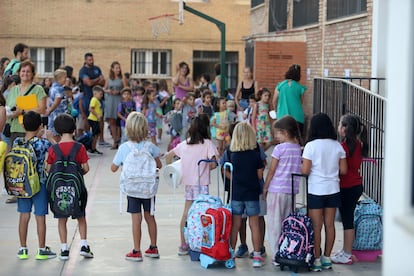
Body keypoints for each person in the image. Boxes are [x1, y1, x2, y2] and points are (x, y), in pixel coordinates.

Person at [111, 111, 162, 262]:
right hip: (148, 188)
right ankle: (153, 247)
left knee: (136, 219)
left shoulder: (124, 148)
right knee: (150, 216)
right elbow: (159, 165)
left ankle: (136, 250)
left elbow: (113, 168)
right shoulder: (150, 146)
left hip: (132, 188)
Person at [165, 114, 218, 256]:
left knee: (186, 214)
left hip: (189, 184)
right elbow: (213, 164)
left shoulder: (185, 144)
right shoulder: (207, 144)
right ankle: (201, 242)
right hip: (202, 185)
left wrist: (174, 168)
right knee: (203, 214)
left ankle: (183, 243)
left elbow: (169, 155)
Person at [301, 113, 347, 272]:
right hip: (333, 189)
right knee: (330, 225)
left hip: (316, 190)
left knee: (316, 226)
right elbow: (344, 170)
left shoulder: (310, 146)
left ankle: (317, 259)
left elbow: (305, 171)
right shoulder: (337, 146)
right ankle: (327, 258)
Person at [45, 113, 94, 260]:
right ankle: (84, 245)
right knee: (81, 217)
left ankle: (64, 249)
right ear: (74, 129)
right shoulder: (79, 147)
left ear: (57, 131)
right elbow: (86, 168)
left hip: (59, 189)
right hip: (77, 190)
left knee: (62, 219)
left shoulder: (53, 149)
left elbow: (48, 170)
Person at [10, 111, 57, 260]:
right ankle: (42, 249)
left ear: (23, 125)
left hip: (22, 184)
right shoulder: (43, 144)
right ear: (40, 126)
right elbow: (57, 152)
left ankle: (23, 249)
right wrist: (49, 137)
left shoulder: (17, 141)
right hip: (39, 184)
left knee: (24, 215)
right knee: (40, 216)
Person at [221, 122, 267, 259]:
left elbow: (224, 168)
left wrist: (234, 178)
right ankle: (258, 255)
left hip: (236, 193)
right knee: (254, 224)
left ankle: (230, 254)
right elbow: (260, 175)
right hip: (252, 193)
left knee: (235, 224)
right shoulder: (255, 153)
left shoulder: (231, 152)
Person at [262, 115, 302, 266]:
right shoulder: (298, 148)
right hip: (291, 191)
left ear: (285, 132)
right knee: (287, 222)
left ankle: (277, 254)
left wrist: (265, 188)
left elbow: (271, 171)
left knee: (274, 223)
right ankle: (287, 250)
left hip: (277, 190)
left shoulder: (279, 149)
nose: (276, 136)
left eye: (278, 133)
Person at [5, 61, 47, 204]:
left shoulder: (38, 89)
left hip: (31, 129)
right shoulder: (13, 90)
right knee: (18, 163)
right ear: (19, 73)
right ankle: (17, 191)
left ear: (32, 74)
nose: (25, 74)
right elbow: (8, 109)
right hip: (16, 128)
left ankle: (33, 188)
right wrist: (12, 112)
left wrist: (22, 110)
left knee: (33, 161)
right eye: (23, 71)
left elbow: (42, 109)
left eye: (28, 71)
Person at [331, 114, 369, 265]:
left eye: (340, 124)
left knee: (347, 220)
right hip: (356, 185)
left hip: (347, 186)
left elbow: (341, 169)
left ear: (345, 129)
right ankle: (346, 250)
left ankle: (347, 253)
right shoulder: (358, 144)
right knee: (348, 219)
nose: (338, 127)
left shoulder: (343, 147)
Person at [273, 64, 307, 137]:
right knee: (297, 138)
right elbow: (301, 102)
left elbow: (274, 101)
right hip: (297, 116)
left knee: (283, 138)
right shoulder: (300, 87)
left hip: (282, 115)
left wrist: (276, 110)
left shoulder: (280, 86)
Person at [78, 53, 105, 131]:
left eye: (92, 59)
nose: (91, 61)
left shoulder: (97, 69)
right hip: (87, 97)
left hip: (99, 98)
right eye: (89, 60)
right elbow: (88, 83)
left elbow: (103, 81)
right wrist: (97, 80)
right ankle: (89, 135)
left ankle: (101, 138)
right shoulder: (83, 71)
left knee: (100, 117)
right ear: (85, 60)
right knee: (87, 117)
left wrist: (93, 81)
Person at [104, 61, 127, 149]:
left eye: (119, 67)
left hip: (119, 99)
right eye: (116, 68)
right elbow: (104, 89)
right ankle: (114, 141)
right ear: (112, 69)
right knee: (112, 121)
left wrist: (120, 92)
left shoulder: (122, 78)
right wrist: (108, 91)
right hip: (110, 100)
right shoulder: (108, 79)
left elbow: (126, 89)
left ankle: (120, 139)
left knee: (119, 121)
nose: (118, 69)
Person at [46, 69, 68, 141]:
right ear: (60, 78)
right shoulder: (59, 89)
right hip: (58, 115)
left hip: (53, 115)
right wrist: (50, 110)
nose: (66, 79)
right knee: (57, 135)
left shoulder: (52, 87)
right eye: (65, 77)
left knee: (54, 133)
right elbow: (57, 101)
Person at [87, 85, 104, 154]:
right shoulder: (94, 99)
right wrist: (97, 115)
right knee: (95, 134)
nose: (101, 96)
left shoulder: (97, 100)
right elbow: (91, 109)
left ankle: (93, 147)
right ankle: (92, 147)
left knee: (97, 134)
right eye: (100, 94)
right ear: (95, 93)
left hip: (96, 120)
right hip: (93, 119)